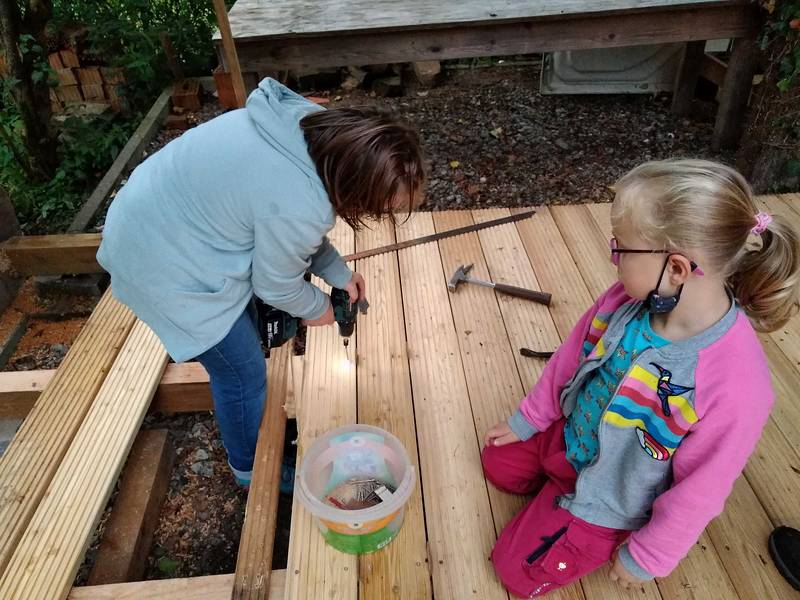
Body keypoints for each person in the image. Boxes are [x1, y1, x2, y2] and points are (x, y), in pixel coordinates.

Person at [482, 158, 800, 597]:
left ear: (676, 269)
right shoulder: (625, 300)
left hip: (615, 497)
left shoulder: (739, 385)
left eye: (621, 248)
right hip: (573, 438)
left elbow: (701, 490)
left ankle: (585, 520)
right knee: (497, 463)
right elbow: (571, 358)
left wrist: (650, 555)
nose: (613, 258)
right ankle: (557, 480)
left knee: (514, 572)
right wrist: (531, 417)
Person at [97, 78, 424, 489]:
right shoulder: (296, 200)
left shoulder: (306, 132)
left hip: (154, 216)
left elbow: (286, 226)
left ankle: (254, 427)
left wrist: (338, 274)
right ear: (353, 183)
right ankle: (250, 469)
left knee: (248, 334)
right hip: (159, 261)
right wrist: (319, 310)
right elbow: (277, 284)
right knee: (241, 371)